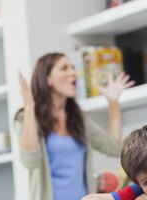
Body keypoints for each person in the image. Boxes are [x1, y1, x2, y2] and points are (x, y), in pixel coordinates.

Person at [14, 52, 134, 200]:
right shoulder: (26, 118)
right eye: (64, 68)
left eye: (73, 67)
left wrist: (113, 103)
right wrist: (29, 106)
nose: (73, 72)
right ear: (47, 79)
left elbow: (115, 148)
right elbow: (30, 161)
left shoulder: (78, 119)